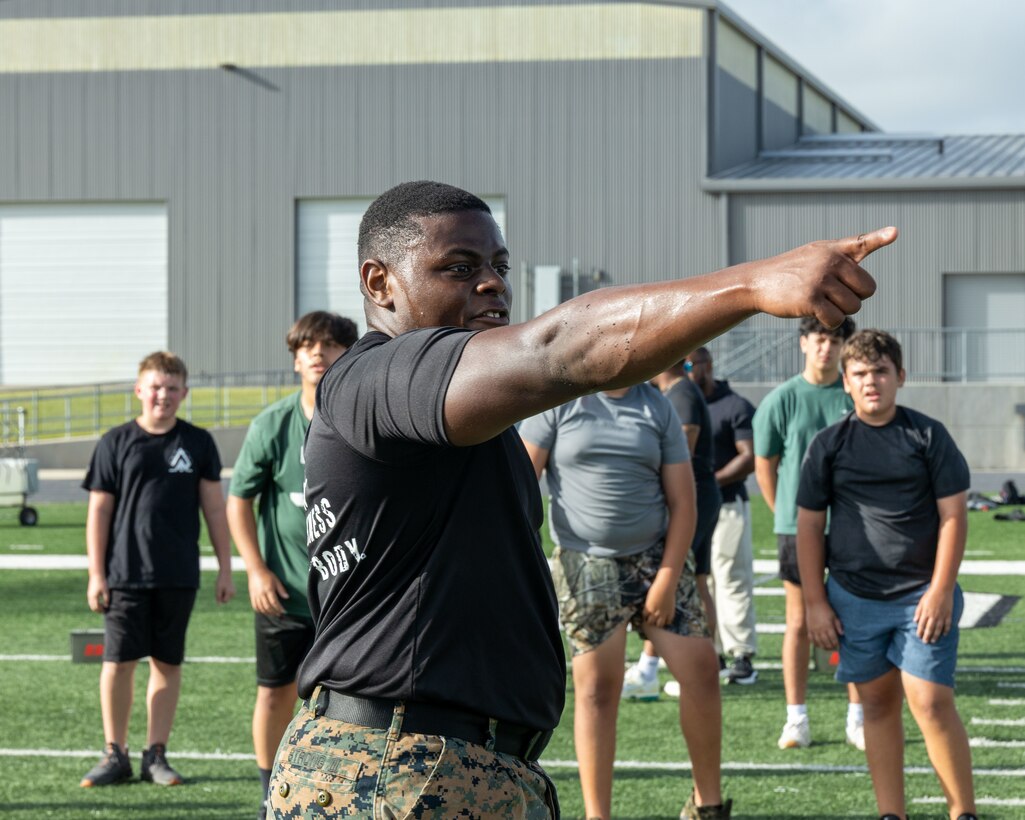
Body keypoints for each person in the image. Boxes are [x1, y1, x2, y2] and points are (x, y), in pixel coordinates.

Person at [266, 179, 896, 819]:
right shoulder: (377, 377)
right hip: (396, 770)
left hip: (437, 763)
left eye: (498, 266)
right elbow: (558, 353)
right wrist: (755, 285)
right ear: (380, 284)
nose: (492, 284)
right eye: (459, 267)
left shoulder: (434, 411)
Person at [520, 384, 728, 820]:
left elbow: (683, 501)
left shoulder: (657, 407)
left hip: (656, 559)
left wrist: (668, 578)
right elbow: (520, 485)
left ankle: (707, 804)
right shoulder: (559, 402)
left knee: (702, 668)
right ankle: (598, 815)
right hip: (587, 564)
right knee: (596, 690)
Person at [796, 330, 977, 820]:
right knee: (876, 704)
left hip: (921, 595)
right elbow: (809, 526)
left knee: (931, 700)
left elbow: (953, 517)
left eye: (880, 371)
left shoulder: (928, 435)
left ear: (900, 376)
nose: (871, 381)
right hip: (854, 596)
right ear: (846, 384)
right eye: (860, 373)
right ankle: (890, 814)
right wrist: (815, 600)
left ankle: (963, 812)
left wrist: (940, 590)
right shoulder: (829, 444)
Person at [80, 352, 236, 788]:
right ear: (138, 390)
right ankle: (115, 754)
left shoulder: (198, 442)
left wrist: (226, 569)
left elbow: (215, 510)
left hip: (178, 574)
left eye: (171, 388)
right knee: (118, 663)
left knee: (167, 664)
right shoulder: (115, 442)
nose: (162, 395)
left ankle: (156, 755)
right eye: (154, 386)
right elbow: (99, 512)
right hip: (124, 575)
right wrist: (97, 573)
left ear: (183, 393)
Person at [226, 311, 357, 819]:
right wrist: (256, 571)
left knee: (351, 699)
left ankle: (342, 784)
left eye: (328, 344)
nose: (317, 354)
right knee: (274, 691)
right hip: (284, 593)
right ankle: (268, 789)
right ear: (295, 358)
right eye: (306, 347)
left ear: (349, 351)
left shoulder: (364, 418)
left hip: (348, 596)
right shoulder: (272, 424)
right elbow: (239, 500)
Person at [753, 316, 865, 750]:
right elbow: (766, 466)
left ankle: (857, 717)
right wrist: (788, 515)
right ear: (804, 343)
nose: (827, 347)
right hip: (796, 530)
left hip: (853, 527)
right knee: (799, 621)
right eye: (820, 338)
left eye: (836, 340)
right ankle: (796, 718)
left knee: (853, 621)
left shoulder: (854, 394)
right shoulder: (782, 398)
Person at [622, 361, 722, 702]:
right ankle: (708, 658)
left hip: (692, 498)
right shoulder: (679, 391)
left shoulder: (680, 394)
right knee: (697, 581)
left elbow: (681, 452)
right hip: (701, 495)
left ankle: (649, 669)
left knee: (674, 580)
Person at [686, 347, 759, 685]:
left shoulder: (735, 406)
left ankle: (741, 653)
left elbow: (749, 457)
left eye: (692, 364)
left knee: (730, 576)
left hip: (727, 503)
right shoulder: (677, 401)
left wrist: (711, 482)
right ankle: (708, 651)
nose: (687, 371)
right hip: (690, 507)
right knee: (702, 579)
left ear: (708, 365)